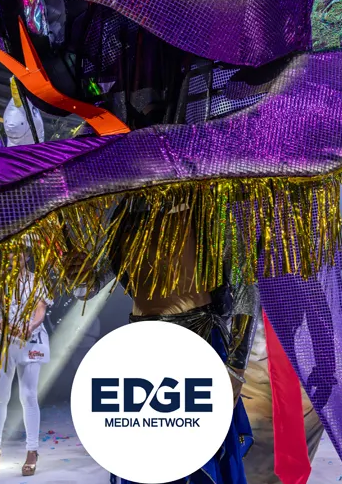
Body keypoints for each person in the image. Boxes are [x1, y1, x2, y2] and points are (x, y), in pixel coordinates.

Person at [71, 200, 256, 484]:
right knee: (146, 457)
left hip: (198, 343)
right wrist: (78, 275)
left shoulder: (209, 208)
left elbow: (246, 289)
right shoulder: (125, 214)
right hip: (142, 351)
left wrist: (236, 365)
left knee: (197, 459)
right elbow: (89, 287)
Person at [0, 256, 52, 477]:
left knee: (29, 396)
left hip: (30, 341)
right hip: (2, 343)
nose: (13, 255)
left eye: (19, 251)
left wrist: (29, 327)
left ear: (27, 255)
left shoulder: (35, 280)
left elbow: (40, 309)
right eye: (10, 251)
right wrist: (4, 326)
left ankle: (32, 451)